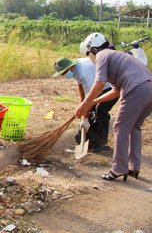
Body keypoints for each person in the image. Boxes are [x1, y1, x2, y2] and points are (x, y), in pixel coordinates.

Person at [76, 32, 152, 182]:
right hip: (148, 89)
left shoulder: (103, 55)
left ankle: (118, 169)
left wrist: (85, 103)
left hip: (136, 89)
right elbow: (115, 91)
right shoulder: (116, 56)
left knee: (120, 127)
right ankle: (133, 167)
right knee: (134, 127)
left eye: (88, 53)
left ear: (94, 49)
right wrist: (92, 102)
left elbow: (99, 84)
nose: (90, 58)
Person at [53, 57, 118, 152]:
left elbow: (91, 97)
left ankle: (101, 144)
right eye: (62, 73)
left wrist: (85, 118)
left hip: (111, 87)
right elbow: (80, 86)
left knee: (100, 110)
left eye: (64, 72)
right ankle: (90, 141)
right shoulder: (76, 69)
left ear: (70, 67)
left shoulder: (83, 71)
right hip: (99, 86)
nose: (64, 75)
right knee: (91, 110)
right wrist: (82, 103)